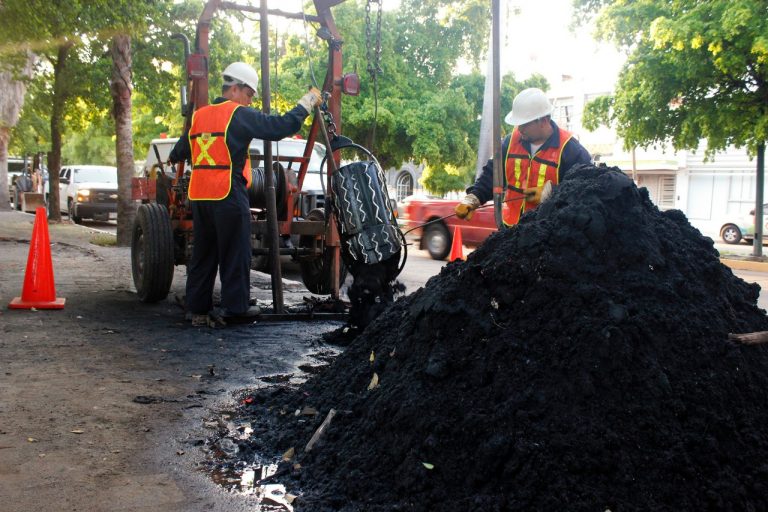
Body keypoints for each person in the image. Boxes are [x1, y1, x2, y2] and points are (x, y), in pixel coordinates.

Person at [169, 61, 322, 323]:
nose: (250, 101)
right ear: (236, 89)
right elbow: (279, 127)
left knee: (203, 255)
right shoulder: (237, 115)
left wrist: (174, 157)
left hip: (200, 197)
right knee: (236, 252)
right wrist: (306, 103)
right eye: (249, 95)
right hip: (228, 194)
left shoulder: (200, 116)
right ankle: (235, 308)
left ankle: (196, 308)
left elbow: (181, 150)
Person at [455, 87, 592, 226]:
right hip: (510, 230)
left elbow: (585, 192)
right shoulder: (510, 142)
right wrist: (474, 197)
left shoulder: (571, 150)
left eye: (525, 124)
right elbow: (492, 174)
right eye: (518, 123)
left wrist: (551, 193)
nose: (520, 129)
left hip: (547, 233)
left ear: (544, 121)